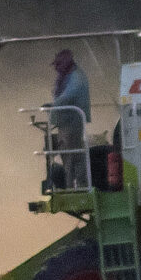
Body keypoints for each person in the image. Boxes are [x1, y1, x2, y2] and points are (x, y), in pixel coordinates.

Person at [46, 48, 90, 188]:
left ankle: (76, 186)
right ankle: (71, 184)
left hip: (73, 122)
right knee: (68, 155)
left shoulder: (76, 76)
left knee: (73, 156)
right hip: (65, 122)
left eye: (58, 64)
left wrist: (53, 105)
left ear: (65, 63)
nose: (56, 68)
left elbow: (69, 95)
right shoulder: (67, 76)